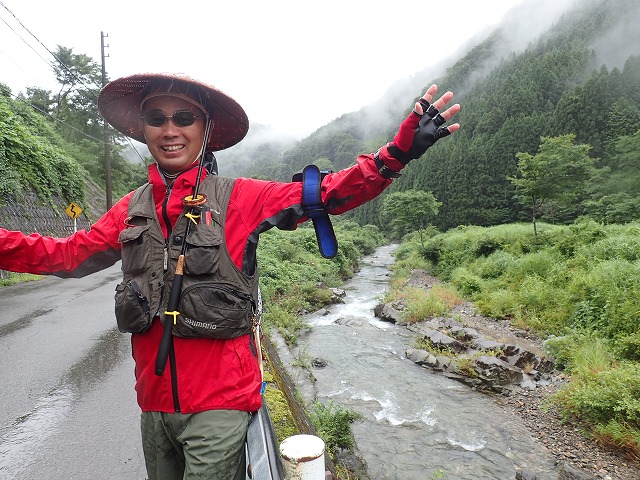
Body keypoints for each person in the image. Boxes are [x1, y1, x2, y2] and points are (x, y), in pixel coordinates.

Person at [0, 72, 460, 480]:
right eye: (156, 117)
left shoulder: (241, 198)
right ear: (143, 129)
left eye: (184, 117)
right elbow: (64, 255)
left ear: (206, 130)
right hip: (153, 404)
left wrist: (396, 153)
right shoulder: (130, 208)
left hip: (220, 404)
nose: (170, 129)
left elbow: (328, 194)